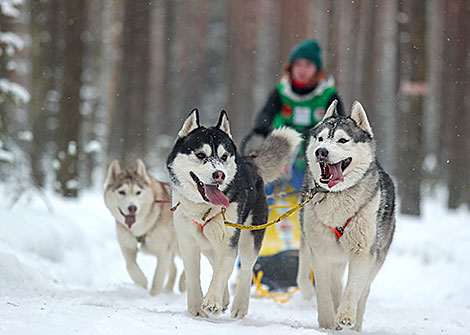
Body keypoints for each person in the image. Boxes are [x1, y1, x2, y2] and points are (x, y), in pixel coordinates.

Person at [253, 39, 345, 190]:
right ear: (291, 67)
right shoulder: (282, 91)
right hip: (282, 143)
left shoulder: (328, 95)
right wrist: (262, 125)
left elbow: (340, 122)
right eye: (298, 65)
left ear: (316, 69)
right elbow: (268, 111)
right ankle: (263, 209)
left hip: (312, 148)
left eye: (308, 65)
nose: (302, 70)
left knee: (310, 183)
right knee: (265, 180)